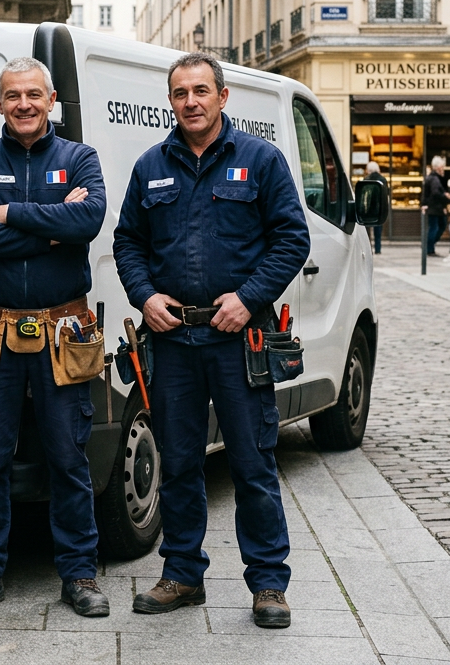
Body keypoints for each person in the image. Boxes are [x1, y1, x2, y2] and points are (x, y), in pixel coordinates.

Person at [112, 53, 310, 628]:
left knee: (251, 464)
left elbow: (291, 239)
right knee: (178, 464)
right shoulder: (151, 166)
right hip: (172, 341)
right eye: (180, 93)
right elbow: (128, 242)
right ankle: (182, 574)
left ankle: (268, 583)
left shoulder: (260, 159)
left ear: (223, 97)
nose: (190, 102)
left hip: (239, 340)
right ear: (170, 102)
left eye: (201, 90)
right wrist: (145, 297)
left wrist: (249, 298)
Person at [0, 57, 110, 618]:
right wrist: (51, 229)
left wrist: (8, 214)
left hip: (63, 330)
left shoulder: (79, 158)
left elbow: (88, 223)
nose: (23, 104)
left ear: (51, 99)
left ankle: (80, 575)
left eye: (34, 95)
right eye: (13, 95)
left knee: (68, 458)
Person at [421, 157, 449, 256]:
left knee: (436, 227)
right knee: (436, 227)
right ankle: (429, 247)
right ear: (438, 167)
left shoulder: (432, 177)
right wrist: (445, 196)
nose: (443, 168)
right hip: (435, 207)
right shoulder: (434, 179)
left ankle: (429, 246)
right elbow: (435, 192)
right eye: (442, 166)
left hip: (433, 207)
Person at [363, 162, 387, 254]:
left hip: (369, 207)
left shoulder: (366, 179)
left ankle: (368, 248)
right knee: (378, 230)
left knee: (367, 230)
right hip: (379, 207)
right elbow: (386, 194)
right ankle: (378, 248)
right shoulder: (383, 179)